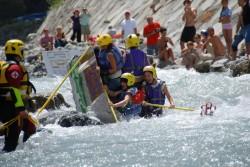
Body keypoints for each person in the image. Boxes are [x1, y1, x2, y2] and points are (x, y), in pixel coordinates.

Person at [0, 39, 36, 152]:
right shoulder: (14, 68)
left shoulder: (5, 65)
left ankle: (25, 151)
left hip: (10, 104)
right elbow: (14, 90)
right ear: (16, 51)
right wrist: (21, 109)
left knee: (30, 127)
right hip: (10, 107)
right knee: (11, 142)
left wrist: (28, 100)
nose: (23, 53)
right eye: (22, 50)